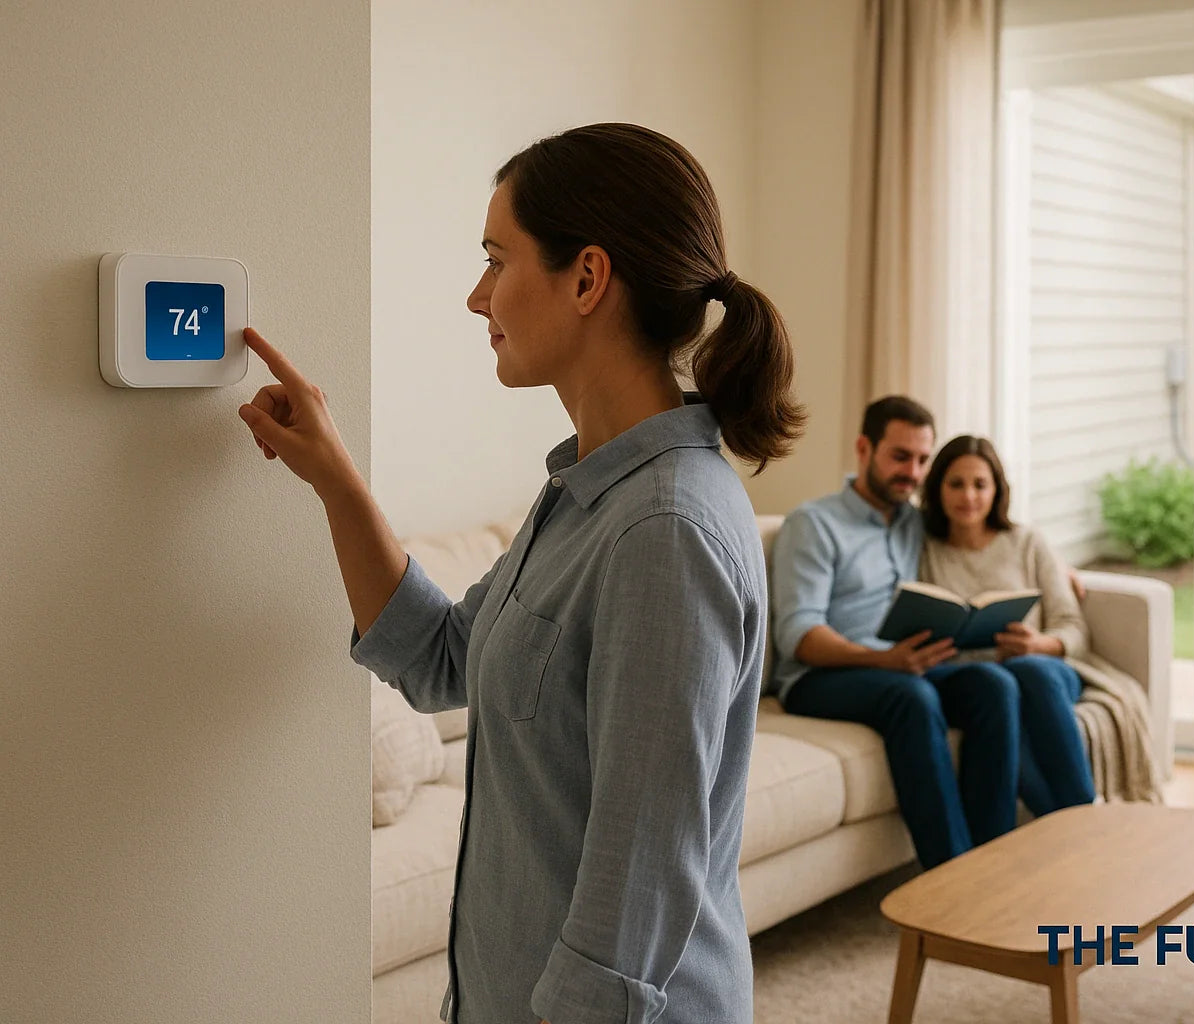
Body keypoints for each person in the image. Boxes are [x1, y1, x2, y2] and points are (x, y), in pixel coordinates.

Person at [236, 123, 802, 1024]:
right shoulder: (583, 494)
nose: (476, 295)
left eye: (496, 259)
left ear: (586, 278)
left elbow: (635, 897)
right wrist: (335, 476)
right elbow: (438, 657)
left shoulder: (666, 531)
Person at [770, 397, 1021, 870]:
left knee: (994, 685)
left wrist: (1062, 570)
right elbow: (798, 635)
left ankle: (995, 862)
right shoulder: (814, 524)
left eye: (923, 460)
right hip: (818, 678)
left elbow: (987, 527)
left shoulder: (913, 521)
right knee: (912, 697)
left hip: (904, 666)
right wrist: (883, 659)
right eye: (900, 456)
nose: (913, 472)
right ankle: (952, 876)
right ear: (864, 449)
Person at [919, 434, 1163, 816]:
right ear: (937, 488)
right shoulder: (924, 548)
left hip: (1046, 673)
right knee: (1004, 703)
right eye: (956, 484)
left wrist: (1039, 644)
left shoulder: (1026, 542)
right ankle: (1075, 826)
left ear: (997, 489)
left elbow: (1073, 629)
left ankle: (1082, 811)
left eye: (980, 484)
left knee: (1026, 670)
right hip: (981, 687)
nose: (968, 496)